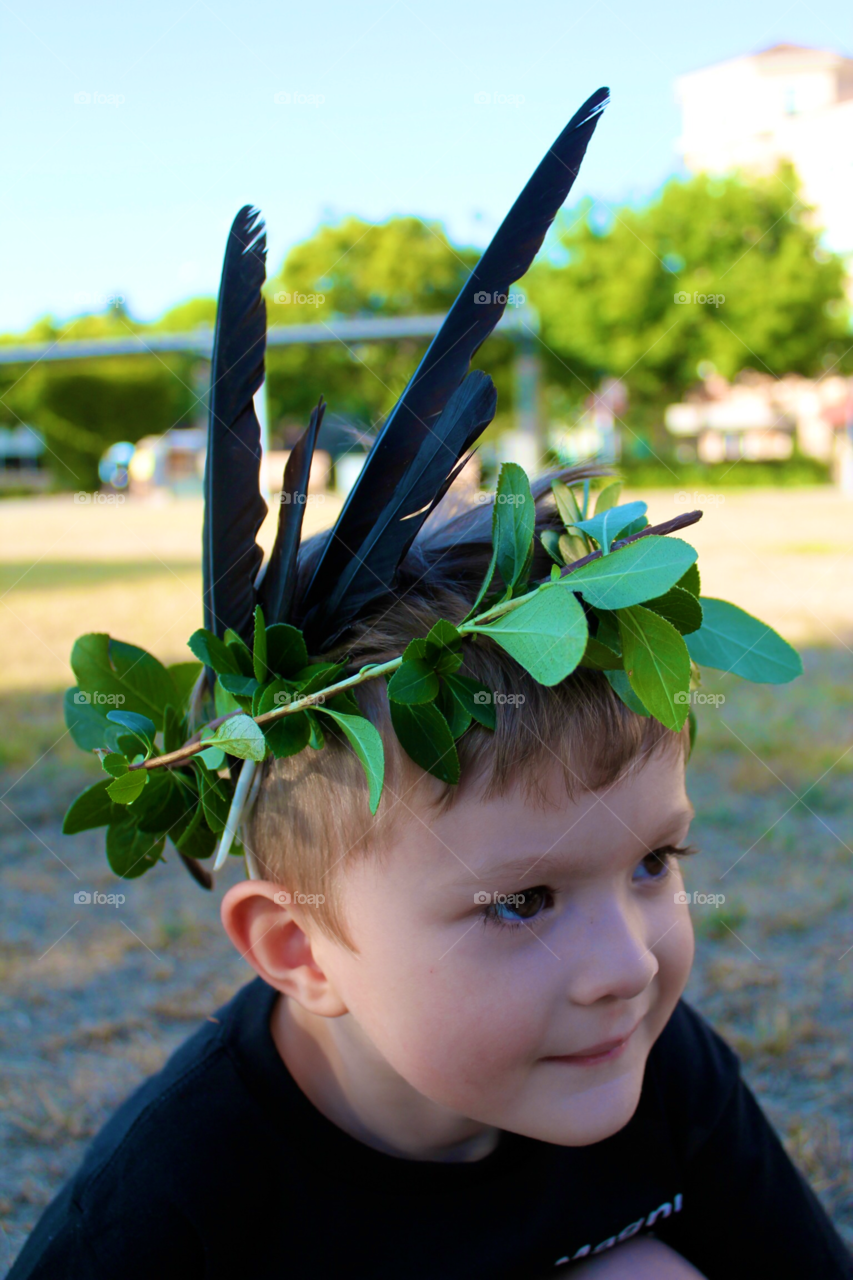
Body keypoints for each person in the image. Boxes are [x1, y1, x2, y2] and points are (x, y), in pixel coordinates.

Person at [9, 474, 853, 1279]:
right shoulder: (175, 1196)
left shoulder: (662, 1067)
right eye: (523, 903)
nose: (628, 967)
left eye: (652, 863)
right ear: (302, 946)